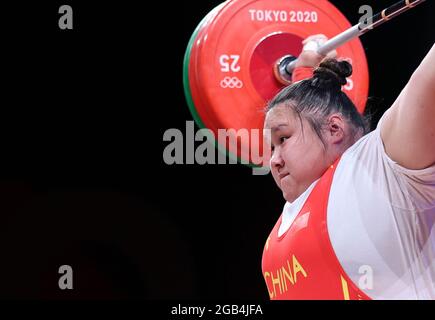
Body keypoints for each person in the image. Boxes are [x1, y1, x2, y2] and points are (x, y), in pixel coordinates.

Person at [261, 34, 435, 300]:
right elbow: (304, 113)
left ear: (334, 128)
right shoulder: (292, 215)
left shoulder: (381, 167)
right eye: (272, 147)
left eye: (283, 139)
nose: (274, 159)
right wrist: (307, 69)